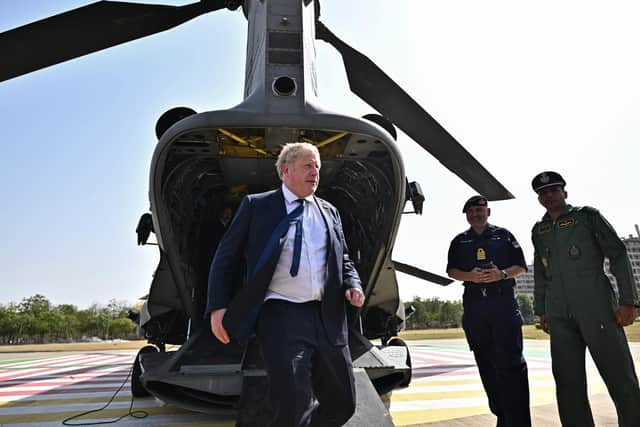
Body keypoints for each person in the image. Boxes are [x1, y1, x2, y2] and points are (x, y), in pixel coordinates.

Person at [206, 142, 365, 427]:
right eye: (307, 165)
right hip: (282, 314)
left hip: (328, 314)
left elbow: (344, 259)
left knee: (344, 403)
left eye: (317, 166)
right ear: (285, 171)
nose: (315, 171)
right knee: (292, 403)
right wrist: (217, 306)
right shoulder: (257, 206)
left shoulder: (330, 211)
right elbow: (225, 256)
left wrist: (353, 284)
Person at [531, 171, 640, 426]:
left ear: (564, 193)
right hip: (558, 313)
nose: (548, 196)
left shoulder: (588, 217)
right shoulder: (539, 230)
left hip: (597, 307)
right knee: (568, 384)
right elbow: (540, 271)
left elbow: (618, 254)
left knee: (620, 376)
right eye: (543, 193)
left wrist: (629, 301)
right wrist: (541, 310)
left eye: (553, 190)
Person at [447, 195, 531, 427]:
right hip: (475, 309)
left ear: (488, 212)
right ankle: (502, 417)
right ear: (467, 215)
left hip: (503, 306)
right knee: (487, 365)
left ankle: (519, 422)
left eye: (479, 210)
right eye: (471, 211)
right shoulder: (459, 241)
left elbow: (521, 266)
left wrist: (501, 274)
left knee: (512, 365)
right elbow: (451, 270)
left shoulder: (504, 236)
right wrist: (471, 277)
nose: (476, 214)